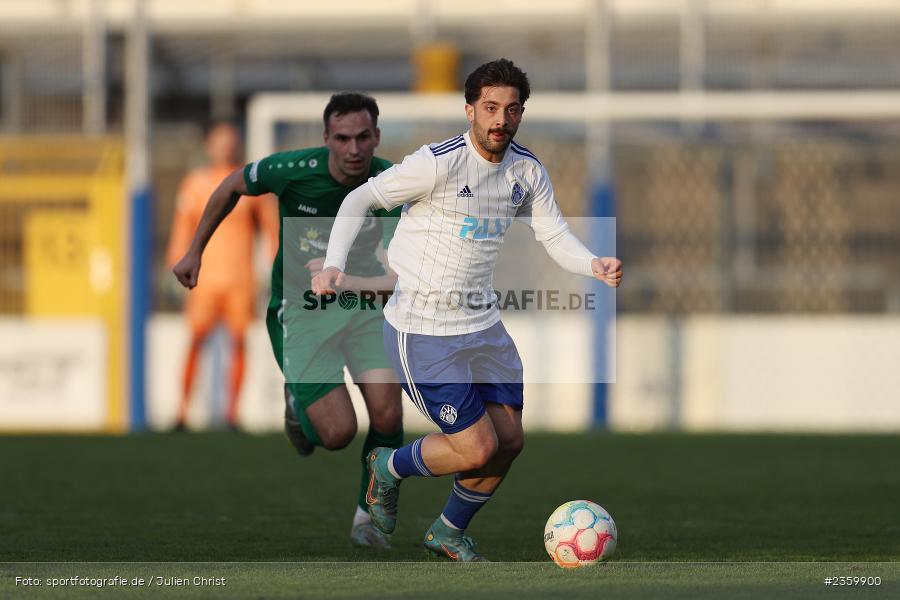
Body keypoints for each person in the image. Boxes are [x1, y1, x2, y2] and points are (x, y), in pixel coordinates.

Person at [312, 59, 623, 561]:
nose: (501, 118)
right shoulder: (437, 163)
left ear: (521, 113)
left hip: (483, 326)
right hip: (423, 331)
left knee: (509, 441)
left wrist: (594, 264)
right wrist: (332, 265)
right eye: (490, 107)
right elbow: (358, 200)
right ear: (470, 109)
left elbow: (554, 234)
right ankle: (387, 467)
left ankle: (448, 531)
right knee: (476, 447)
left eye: (512, 109)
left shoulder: (526, 171)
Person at [173, 94, 405, 549]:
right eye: (342, 138)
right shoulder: (293, 170)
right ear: (326, 140)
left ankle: (368, 519)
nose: (353, 148)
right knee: (338, 434)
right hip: (300, 314)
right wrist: (195, 250)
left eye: (363, 137)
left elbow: (400, 278)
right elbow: (232, 185)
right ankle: (298, 408)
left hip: (363, 309)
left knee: (388, 411)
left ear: (376, 137)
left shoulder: (392, 183)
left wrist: (346, 282)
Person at [166, 121, 278, 431]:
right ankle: (182, 413)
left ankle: (232, 415)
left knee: (239, 343)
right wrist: (173, 265)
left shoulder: (251, 184)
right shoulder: (194, 183)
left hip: (240, 280)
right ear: (208, 145)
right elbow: (181, 228)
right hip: (203, 280)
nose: (226, 147)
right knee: (196, 340)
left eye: (231, 141)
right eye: (220, 141)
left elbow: (271, 230)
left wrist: (277, 269)